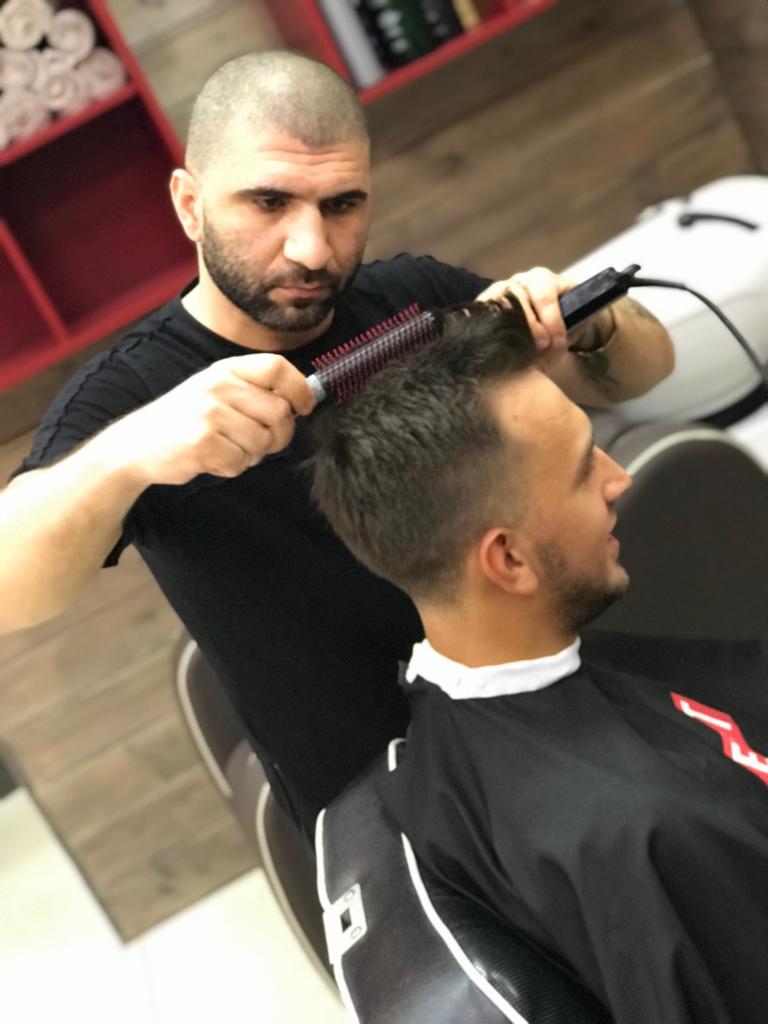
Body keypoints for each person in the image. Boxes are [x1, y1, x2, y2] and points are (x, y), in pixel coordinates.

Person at [0, 51, 674, 837]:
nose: (312, 250)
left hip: (548, 715)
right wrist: (130, 454)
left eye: (342, 205)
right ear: (189, 205)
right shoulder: (132, 395)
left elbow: (644, 369)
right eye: (269, 202)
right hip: (383, 802)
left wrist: (583, 316)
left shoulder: (415, 299)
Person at [308, 298, 768, 1023]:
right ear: (510, 560)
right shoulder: (640, 834)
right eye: (584, 469)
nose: (618, 479)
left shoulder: (444, 735)